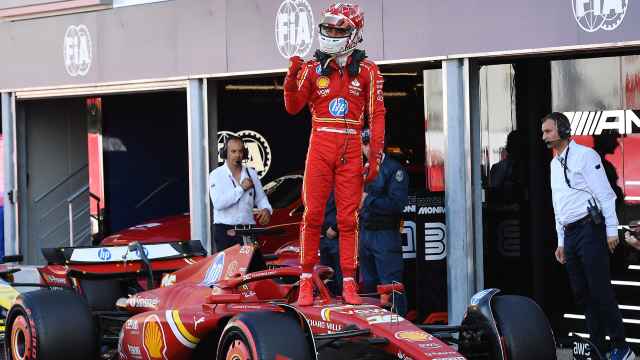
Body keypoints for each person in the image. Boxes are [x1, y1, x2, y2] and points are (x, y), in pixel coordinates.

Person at [283, 3, 385, 305]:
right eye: (328, 28)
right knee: (312, 214)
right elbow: (293, 107)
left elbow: (377, 114)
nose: (331, 33)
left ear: (354, 34)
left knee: (348, 219)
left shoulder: (368, 70)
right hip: (321, 146)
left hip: (352, 146)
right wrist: (290, 80)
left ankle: (350, 283)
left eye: (339, 29)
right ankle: (305, 280)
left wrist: (375, 156)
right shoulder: (313, 69)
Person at [542, 112, 634, 360]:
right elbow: (557, 204)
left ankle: (622, 347)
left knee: (600, 290)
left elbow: (606, 194)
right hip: (570, 234)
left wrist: (611, 230)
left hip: (590, 230)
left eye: (548, 131)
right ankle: (598, 348)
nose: (544, 136)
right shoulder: (553, 164)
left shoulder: (586, 156)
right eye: (543, 132)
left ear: (562, 130)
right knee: (582, 293)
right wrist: (560, 241)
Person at [358, 128, 409, 315]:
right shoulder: (361, 169)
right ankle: (373, 332)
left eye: (371, 143)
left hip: (385, 234)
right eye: (364, 144)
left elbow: (398, 204)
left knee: (391, 285)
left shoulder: (394, 170)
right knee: (369, 286)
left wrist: (367, 200)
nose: (367, 148)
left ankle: (402, 331)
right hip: (365, 234)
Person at [209, 135, 272, 252]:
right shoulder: (216, 175)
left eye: (240, 151)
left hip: (249, 231)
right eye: (233, 151)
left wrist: (267, 210)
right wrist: (241, 188)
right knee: (230, 269)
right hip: (226, 232)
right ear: (225, 153)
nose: (237, 155)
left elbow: (261, 199)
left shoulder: (251, 173)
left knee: (254, 268)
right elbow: (218, 203)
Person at [319, 191, 342, 295]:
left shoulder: (339, 182)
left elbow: (347, 207)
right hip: (323, 236)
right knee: (326, 276)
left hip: (337, 236)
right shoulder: (321, 185)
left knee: (340, 275)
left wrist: (335, 227)